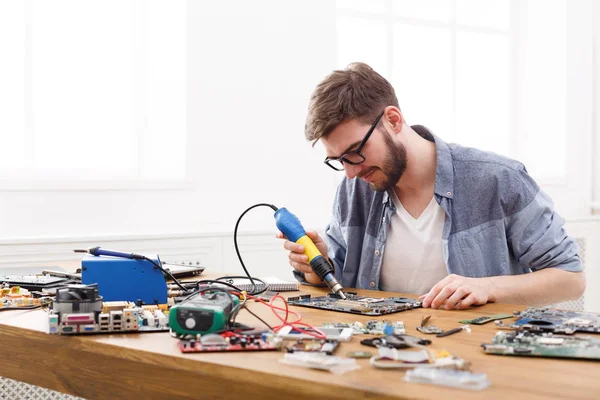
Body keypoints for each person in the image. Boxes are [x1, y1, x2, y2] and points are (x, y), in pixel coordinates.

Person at [278, 62, 585, 310]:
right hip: (383, 361)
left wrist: (487, 287)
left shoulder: (497, 179)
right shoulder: (355, 189)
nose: (350, 171)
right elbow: (340, 282)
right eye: (339, 160)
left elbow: (571, 279)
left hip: (481, 367)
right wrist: (317, 267)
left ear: (393, 120)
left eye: (357, 151)